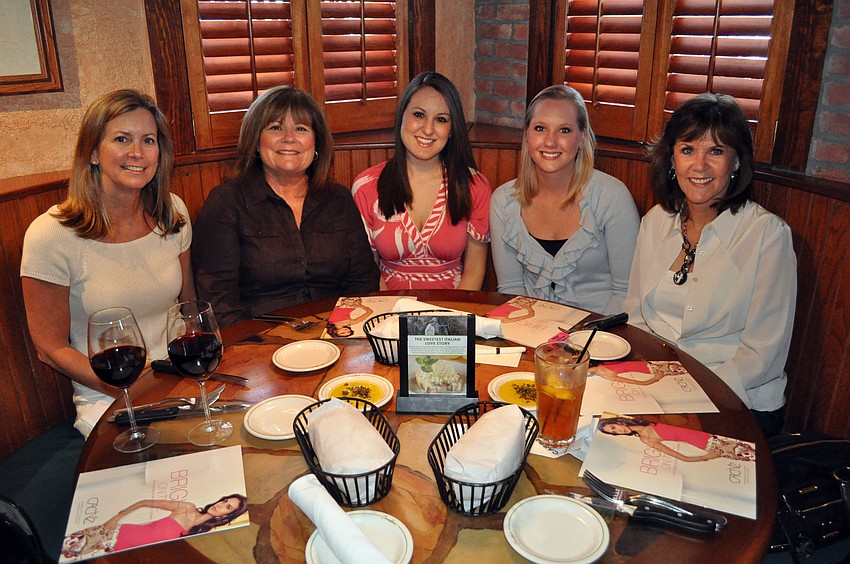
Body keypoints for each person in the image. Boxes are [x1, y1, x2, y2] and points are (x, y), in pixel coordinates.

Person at [20, 89, 194, 438]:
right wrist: (129, 391)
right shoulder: (51, 234)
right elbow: (50, 349)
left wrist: (186, 378)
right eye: (121, 139)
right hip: (106, 395)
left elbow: (187, 310)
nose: (137, 153)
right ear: (93, 153)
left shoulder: (172, 212)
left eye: (148, 140)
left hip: (177, 382)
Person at [622, 93, 797, 438]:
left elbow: (762, 357)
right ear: (672, 158)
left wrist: (685, 400)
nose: (699, 166)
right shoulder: (656, 221)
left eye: (715, 151)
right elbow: (636, 316)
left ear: (736, 162)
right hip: (659, 389)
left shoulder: (768, 236)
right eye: (688, 150)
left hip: (737, 400)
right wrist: (646, 384)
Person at [191, 86, 379, 328]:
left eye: (301, 128)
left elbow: (363, 281)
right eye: (276, 127)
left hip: (335, 335)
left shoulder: (339, 200)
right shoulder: (226, 203)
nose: (289, 138)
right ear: (256, 141)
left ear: (316, 142)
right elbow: (218, 301)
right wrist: (256, 347)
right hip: (258, 343)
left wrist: (342, 333)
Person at [490, 85, 639, 314]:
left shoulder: (613, 197)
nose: (550, 142)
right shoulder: (503, 202)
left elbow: (625, 293)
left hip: (602, 336)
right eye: (540, 128)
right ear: (527, 134)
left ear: (581, 138)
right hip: (531, 333)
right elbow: (511, 290)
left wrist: (584, 341)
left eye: (564, 130)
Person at [352, 72, 491, 290]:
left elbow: (474, 270)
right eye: (418, 115)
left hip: (455, 308)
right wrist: (391, 318)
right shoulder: (367, 186)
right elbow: (367, 270)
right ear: (401, 116)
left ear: (452, 128)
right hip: (386, 309)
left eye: (441, 119)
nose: (428, 129)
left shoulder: (475, 186)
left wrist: (453, 320)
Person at [60, 494, 247, 559]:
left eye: (227, 507)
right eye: (224, 501)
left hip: (117, 551)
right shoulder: (187, 508)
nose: (220, 505)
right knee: (64, 551)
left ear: (227, 516)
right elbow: (144, 502)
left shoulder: (199, 534)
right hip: (111, 535)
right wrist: (115, 518)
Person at [597, 416, 756, 462]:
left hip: (714, 427)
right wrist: (706, 457)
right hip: (710, 443)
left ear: (616, 422)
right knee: (755, 456)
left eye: (613, 428)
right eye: (614, 433)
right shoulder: (645, 438)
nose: (618, 431)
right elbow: (682, 458)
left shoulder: (643, 417)